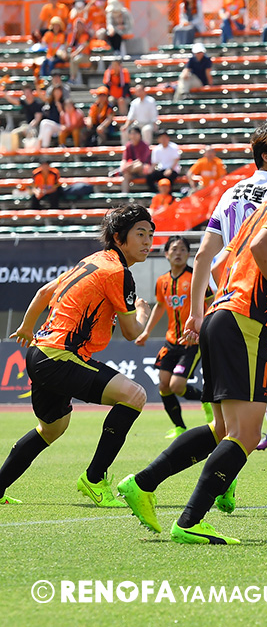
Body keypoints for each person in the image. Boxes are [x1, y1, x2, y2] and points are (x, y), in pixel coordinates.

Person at [119, 128, 267, 543]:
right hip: (244, 320)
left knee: (223, 430)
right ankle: (189, 521)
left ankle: (142, 483)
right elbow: (262, 249)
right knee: (247, 434)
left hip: (223, 314)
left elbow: (222, 256)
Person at [0, 204, 152, 506]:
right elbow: (131, 332)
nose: (148, 241)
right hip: (60, 357)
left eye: (150, 234)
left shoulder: (92, 261)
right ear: (118, 238)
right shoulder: (118, 272)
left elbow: (43, 292)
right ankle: (94, 480)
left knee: (52, 428)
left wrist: (27, 327)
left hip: (40, 353)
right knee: (135, 396)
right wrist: (143, 313)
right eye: (140, 234)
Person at [134, 236, 209, 438]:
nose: (178, 253)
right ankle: (179, 427)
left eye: (183, 249)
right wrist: (146, 332)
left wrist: (206, 330)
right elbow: (160, 306)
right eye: (174, 249)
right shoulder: (162, 281)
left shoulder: (196, 277)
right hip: (171, 341)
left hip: (192, 341)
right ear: (166, 254)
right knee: (164, 385)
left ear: (189, 254)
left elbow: (211, 302)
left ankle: (207, 400)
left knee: (177, 385)